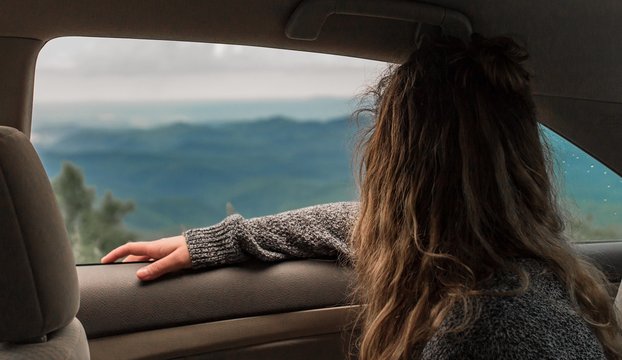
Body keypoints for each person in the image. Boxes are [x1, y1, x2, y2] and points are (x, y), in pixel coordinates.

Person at [101, 34, 622, 359]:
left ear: (403, 175)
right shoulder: (504, 276)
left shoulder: (492, 329)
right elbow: (352, 223)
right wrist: (214, 243)